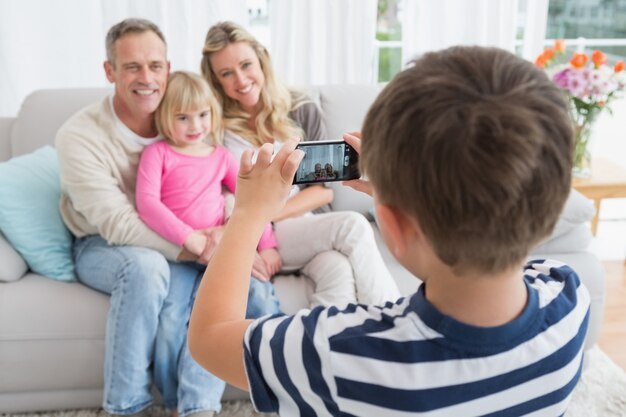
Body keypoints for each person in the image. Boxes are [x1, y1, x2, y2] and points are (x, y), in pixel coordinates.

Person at [188, 46, 590, 415]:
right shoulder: (569, 299)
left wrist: (247, 216)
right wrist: (396, 195)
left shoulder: (337, 354)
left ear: (392, 227)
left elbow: (209, 338)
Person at [56, 19, 255, 417]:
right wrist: (199, 246)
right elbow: (120, 224)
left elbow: (226, 177)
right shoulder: (79, 136)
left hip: (194, 237)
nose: (146, 78)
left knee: (218, 283)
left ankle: (198, 405)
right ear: (110, 71)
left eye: (155, 65)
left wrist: (224, 228)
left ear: (168, 67)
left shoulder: (185, 114)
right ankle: (126, 406)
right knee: (146, 268)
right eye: (131, 67)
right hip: (103, 243)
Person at [200, 21, 400, 307]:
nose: (241, 80)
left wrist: (265, 212)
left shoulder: (301, 109)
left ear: (262, 61)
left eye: (246, 65)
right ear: (216, 80)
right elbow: (212, 195)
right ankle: (395, 323)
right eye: (226, 74)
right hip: (255, 229)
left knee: (337, 269)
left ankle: (330, 349)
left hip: (299, 223)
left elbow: (323, 192)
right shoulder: (213, 125)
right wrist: (247, 230)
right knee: (352, 226)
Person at [135, 70, 281, 313]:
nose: (195, 126)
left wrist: (267, 244)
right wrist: (191, 240)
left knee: (260, 296)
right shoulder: (157, 154)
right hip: (179, 255)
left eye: (203, 114)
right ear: (164, 116)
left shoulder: (221, 156)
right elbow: (147, 204)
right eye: (182, 118)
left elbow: (251, 198)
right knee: (172, 317)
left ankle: (276, 347)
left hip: (222, 249)